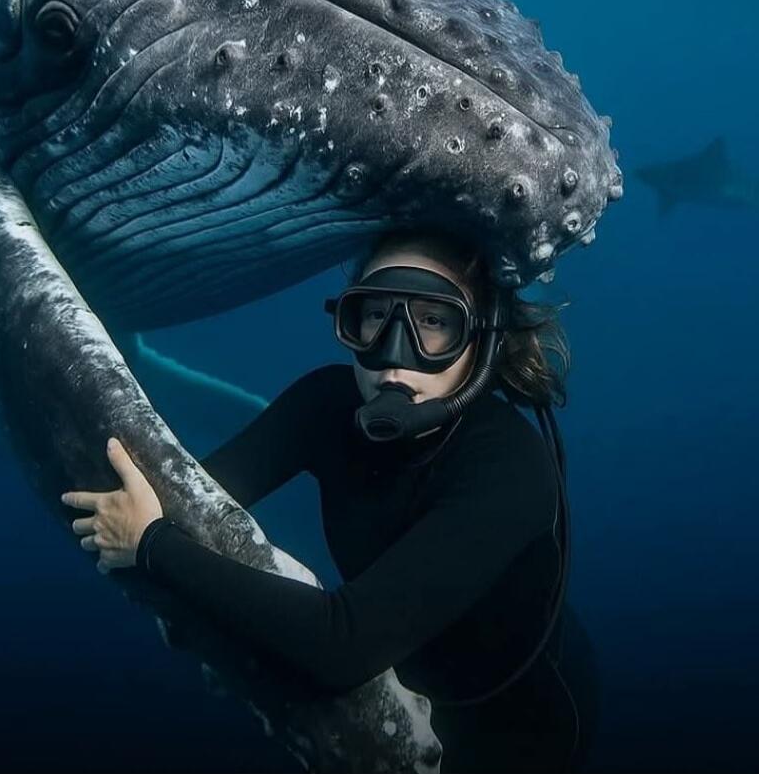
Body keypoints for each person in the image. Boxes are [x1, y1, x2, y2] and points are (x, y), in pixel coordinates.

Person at [61, 230, 600, 772]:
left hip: (519, 733)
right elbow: (186, 499)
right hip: (385, 680)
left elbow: (342, 646)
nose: (394, 356)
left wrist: (152, 546)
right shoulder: (326, 404)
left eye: (433, 323)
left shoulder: (510, 468)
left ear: (480, 338)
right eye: (374, 317)